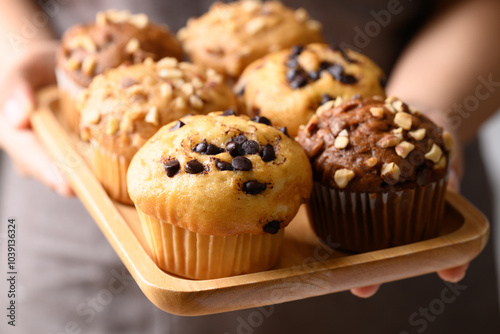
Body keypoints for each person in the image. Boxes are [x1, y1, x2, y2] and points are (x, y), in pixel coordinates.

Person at [0, 0, 499, 333]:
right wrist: (17, 48)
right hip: (72, 247)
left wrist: (428, 104)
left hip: (389, 302)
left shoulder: (287, 152)